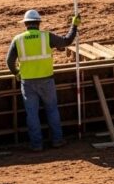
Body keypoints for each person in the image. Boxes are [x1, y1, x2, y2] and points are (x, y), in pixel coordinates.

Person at [5, 9, 80, 151]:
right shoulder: (46, 37)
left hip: (27, 82)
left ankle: (36, 145)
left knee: (32, 114)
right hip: (47, 80)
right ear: (39, 23)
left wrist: (16, 73)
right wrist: (74, 25)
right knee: (52, 110)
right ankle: (57, 140)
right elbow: (67, 41)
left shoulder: (18, 39)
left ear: (25, 23)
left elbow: (9, 61)